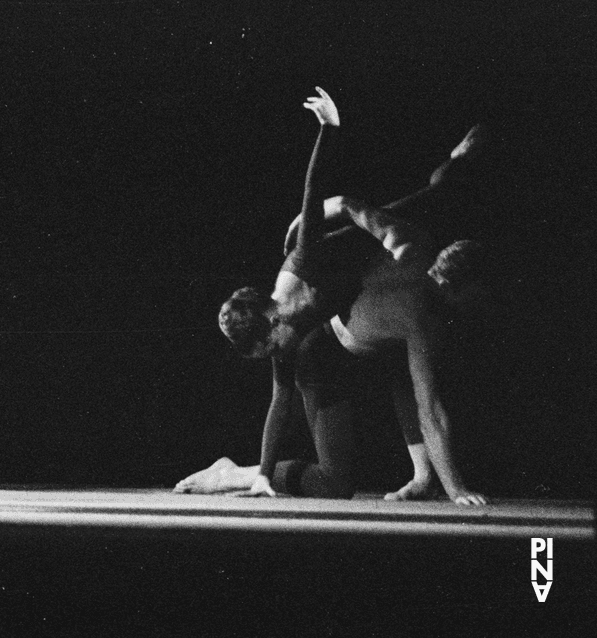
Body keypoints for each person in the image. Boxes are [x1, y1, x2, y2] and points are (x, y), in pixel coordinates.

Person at [188, 90, 486, 504]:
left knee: (430, 204)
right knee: (334, 485)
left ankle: (455, 164)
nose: (276, 355)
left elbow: (321, 196)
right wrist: (263, 475)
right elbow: (280, 402)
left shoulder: (304, 263)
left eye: (272, 348)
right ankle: (233, 474)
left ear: (273, 322)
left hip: (360, 244)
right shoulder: (286, 336)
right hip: (333, 337)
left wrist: (328, 129)